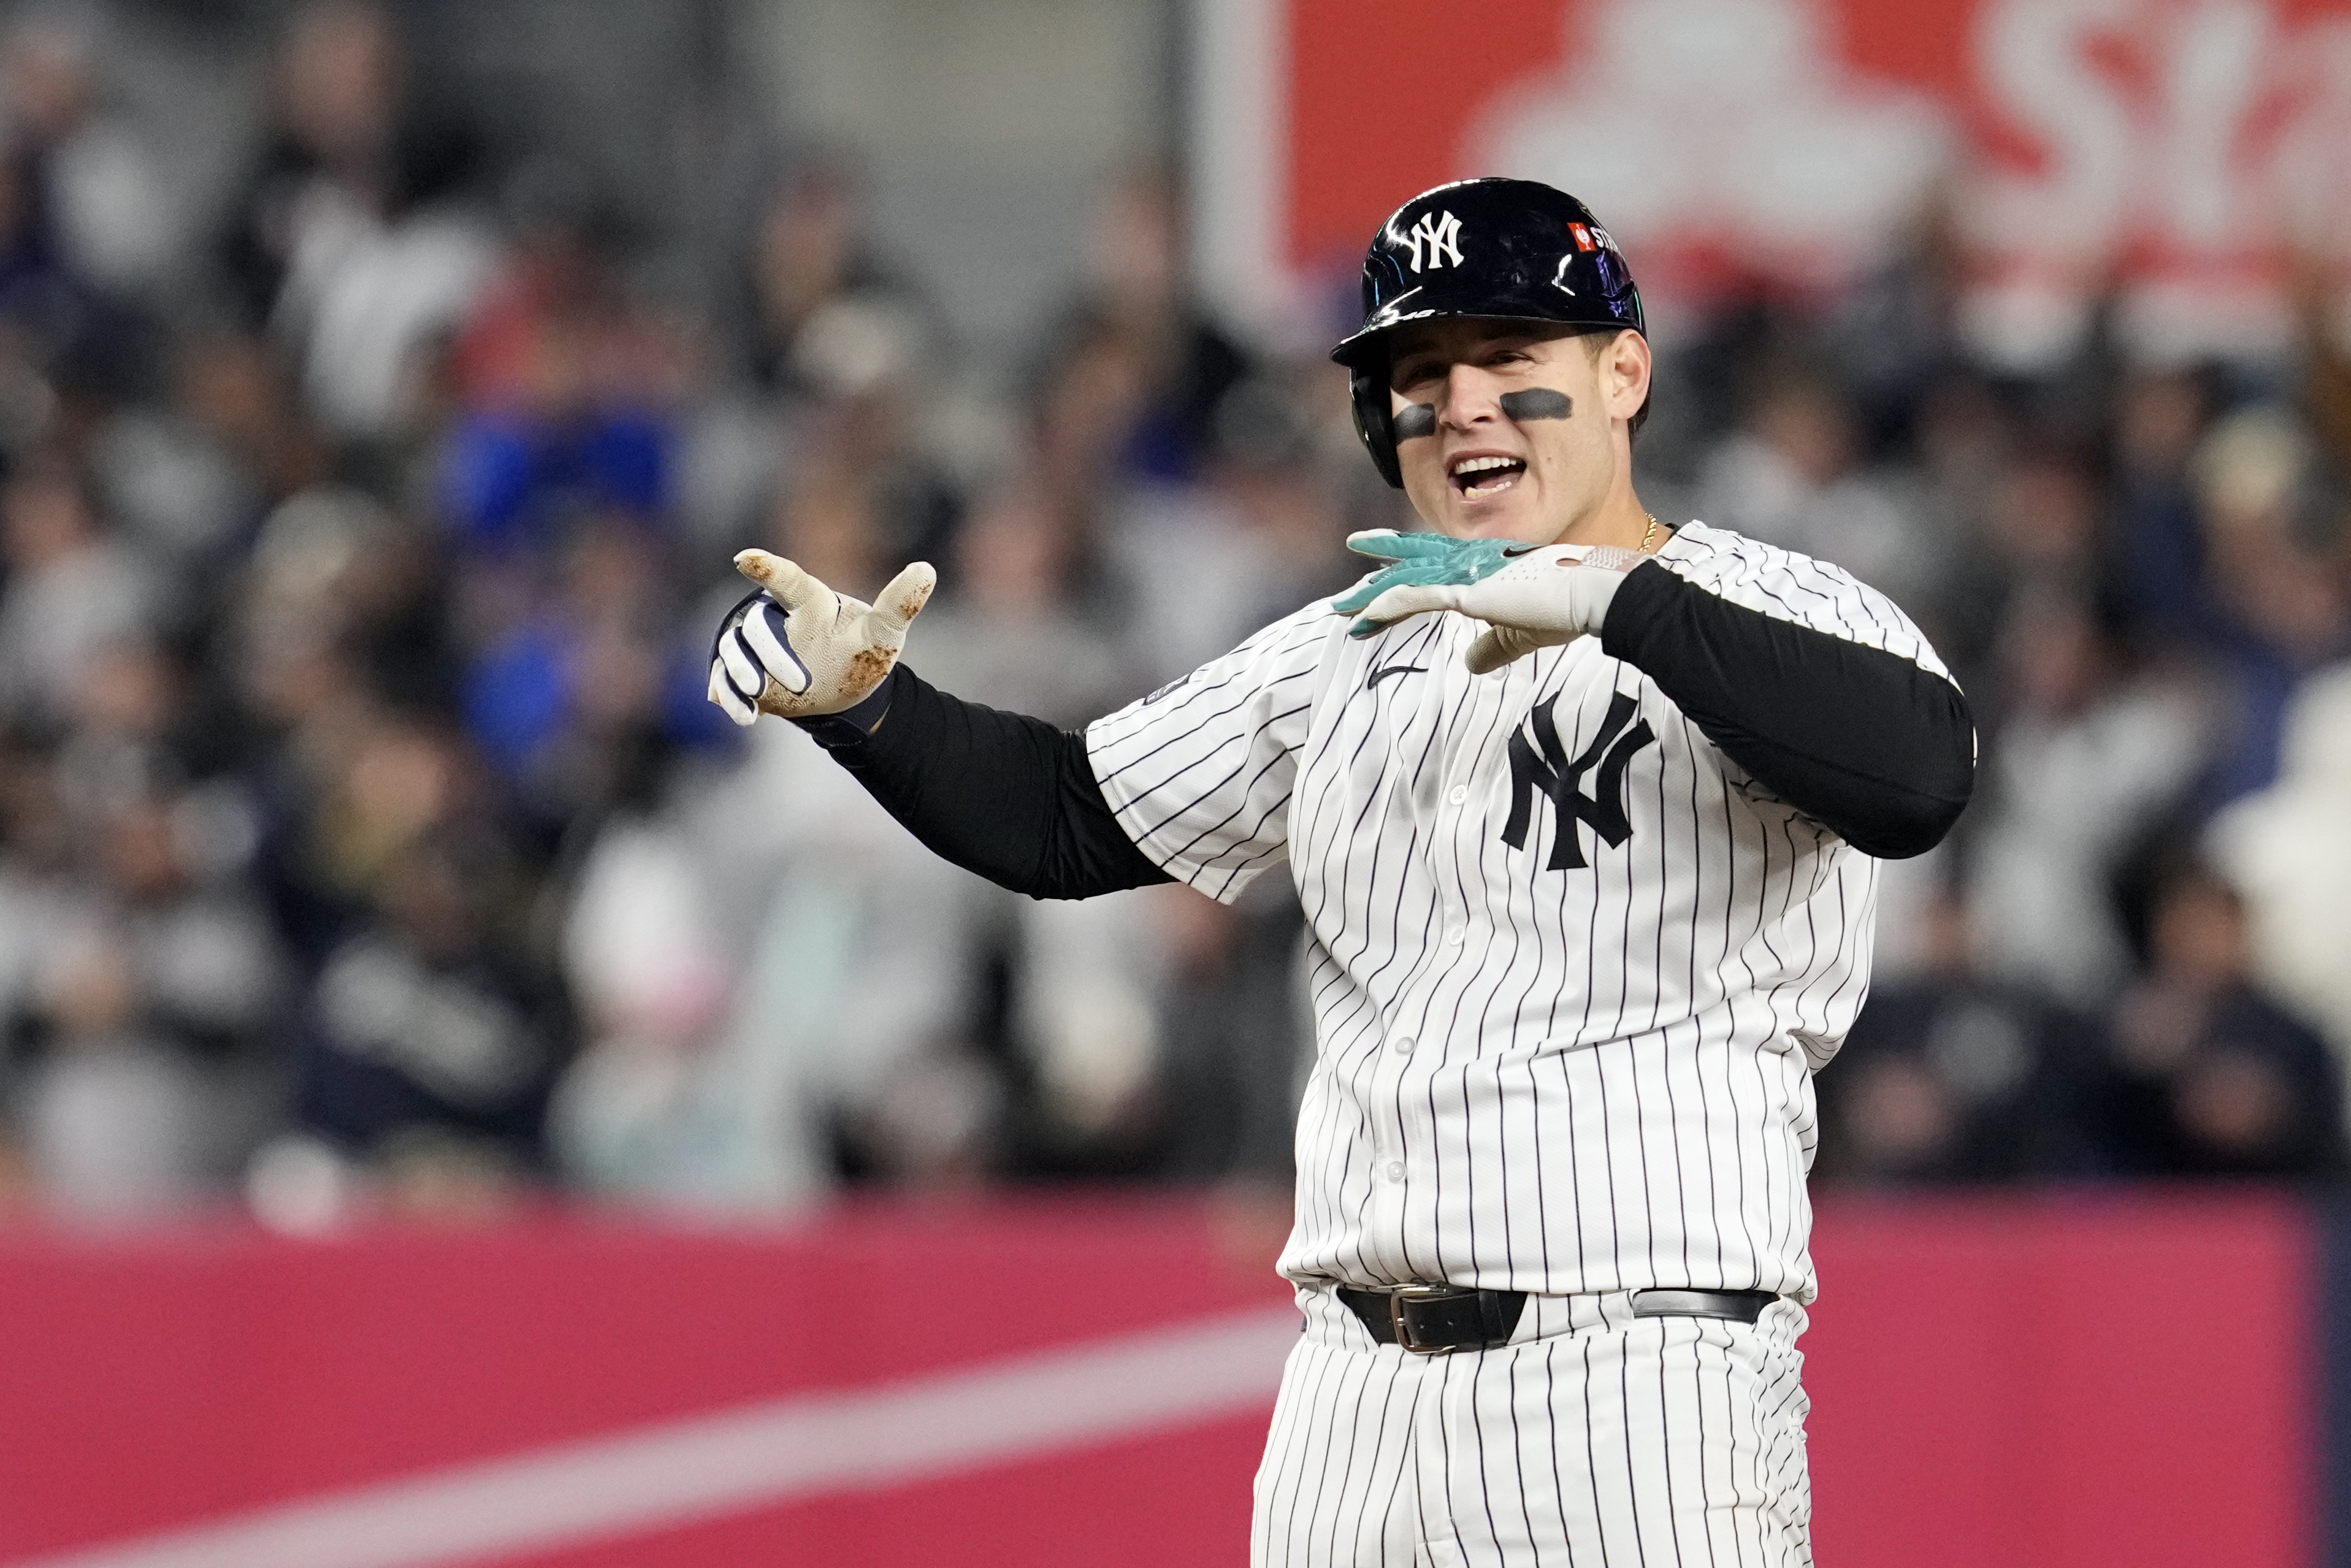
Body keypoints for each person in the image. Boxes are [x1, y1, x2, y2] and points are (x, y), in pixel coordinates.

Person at [706, 178, 1975, 1566]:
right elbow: (1065, 816)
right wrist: (868, 707)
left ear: (1624, 374)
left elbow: (1917, 774)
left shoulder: (1770, 606)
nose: (1465, 403)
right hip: (1351, 1393)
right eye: (1422, 374)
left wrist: (1617, 601)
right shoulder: (1348, 646)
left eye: (1509, 355)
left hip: (1637, 1372)